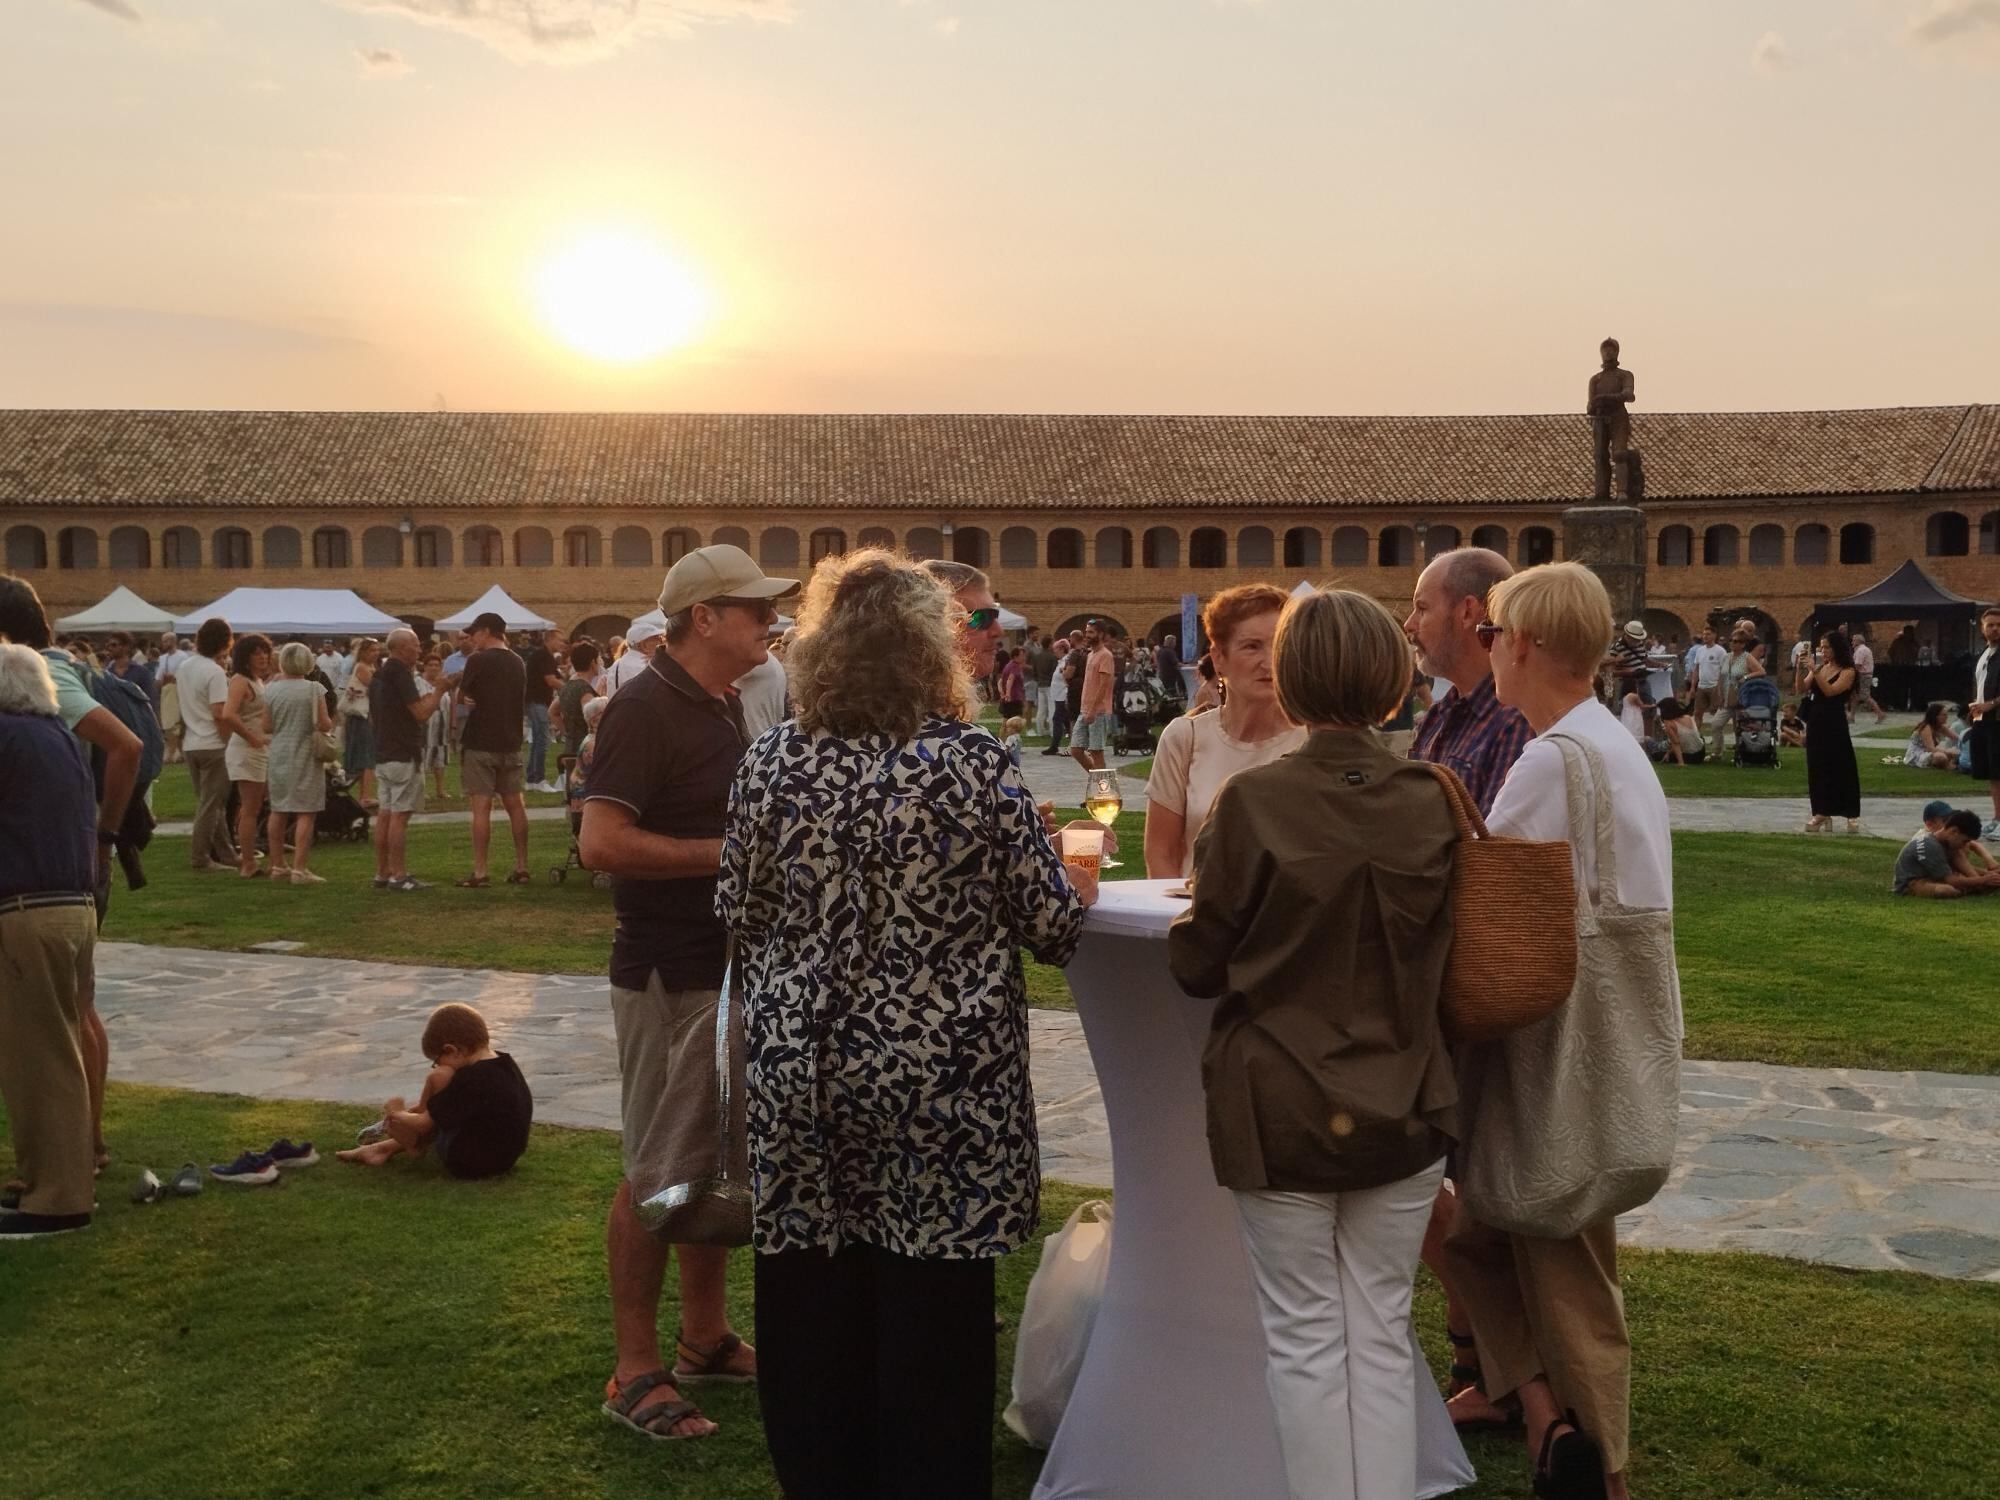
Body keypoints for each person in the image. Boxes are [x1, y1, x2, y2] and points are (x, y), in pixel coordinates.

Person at [716, 549, 1093, 1498]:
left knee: (809, 1300)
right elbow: (1050, 928)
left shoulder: (771, 762)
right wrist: (1071, 884)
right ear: (933, 651)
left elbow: (741, 913)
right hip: (940, 1079)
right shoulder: (970, 764)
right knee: (934, 1313)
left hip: (803, 1069)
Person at [1167, 588, 1458, 1500]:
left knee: (1304, 1337)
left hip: (1282, 1094)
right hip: (1407, 1090)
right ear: (1390, 678)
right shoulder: (1433, 798)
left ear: (1292, 676)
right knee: (1381, 1331)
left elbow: (1199, 963)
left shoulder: (1256, 802)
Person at [1444, 561, 1678, 1500]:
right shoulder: (1610, 743)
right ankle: (1549, 1423)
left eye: (1493, 635)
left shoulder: (1554, 760)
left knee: (1566, 1269)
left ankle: (1603, 1472)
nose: (1489, 652)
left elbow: (1484, 891)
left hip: (1559, 1051)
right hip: (1610, 1041)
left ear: (1525, 644)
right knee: (1477, 1237)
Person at [577, 543, 797, 1444]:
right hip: (669, 974)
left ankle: (704, 1337)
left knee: (712, 1160)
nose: (772, 622)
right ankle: (634, 1370)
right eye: (756, 610)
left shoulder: (722, 700)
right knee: (654, 1169)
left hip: (723, 964)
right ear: (704, 617)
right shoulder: (643, 708)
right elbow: (600, 843)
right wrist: (733, 857)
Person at [0, 644, 100, 1240]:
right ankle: (45, 1178)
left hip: (28, 910)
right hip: (71, 907)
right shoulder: (56, 736)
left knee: (40, 1058)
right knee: (45, 1053)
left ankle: (59, 1198)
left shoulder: (8, 737)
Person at [1145, 584, 1304, 879]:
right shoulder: (1185, 738)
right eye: (1252, 646)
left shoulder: (1313, 740)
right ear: (1219, 658)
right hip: (1194, 905)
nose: (1269, 661)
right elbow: (1161, 853)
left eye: (1280, 644)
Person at [335, 1003, 533, 1174]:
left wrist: (394, 1111)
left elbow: (423, 1124)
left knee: (439, 1077)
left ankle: (412, 1145)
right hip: (505, 1158)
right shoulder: (503, 1062)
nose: (438, 1065)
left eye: (437, 1061)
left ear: (451, 1050)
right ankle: (383, 1149)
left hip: (470, 1162)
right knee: (439, 1106)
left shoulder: (471, 1079)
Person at [454, 612, 532, 887]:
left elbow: (462, 696)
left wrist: (467, 698)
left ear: (486, 631)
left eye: (474, 633)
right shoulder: (518, 661)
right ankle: (522, 866)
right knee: (516, 806)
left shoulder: (478, 660)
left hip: (481, 742)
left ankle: (480, 871)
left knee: (481, 808)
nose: (471, 638)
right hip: (511, 741)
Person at [370, 627, 444, 892]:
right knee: (399, 816)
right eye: (415, 645)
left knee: (385, 814)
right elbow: (421, 714)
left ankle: (382, 872)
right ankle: (399, 875)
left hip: (383, 752)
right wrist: (439, 691)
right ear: (402, 648)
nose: (420, 650)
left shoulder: (379, 674)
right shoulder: (400, 673)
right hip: (402, 753)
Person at [263, 643, 336, 885]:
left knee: (278, 809)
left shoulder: (271, 689)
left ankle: (277, 865)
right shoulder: (314, 689)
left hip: (279, 751)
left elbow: (266, 726)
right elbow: (324, 723)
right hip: (305, 752)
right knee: (306, 811)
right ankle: (299, 868)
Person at [178, 617, 237, 871]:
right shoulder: (214, 671)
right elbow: (219, 713)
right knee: (211, 805)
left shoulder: (185, 667)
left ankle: (227, 853)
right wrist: (228, 743)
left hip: (192, 742)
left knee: (211, 803)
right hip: (213, 743)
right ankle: (200, 857)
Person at [217, 634, 274, 879]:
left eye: (265, 652)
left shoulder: (257, 681)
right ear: (245, 657)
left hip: (259, 747)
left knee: (255, 805)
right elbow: (228, 714)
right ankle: (248, 863)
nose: (263, 657)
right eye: (256, 653)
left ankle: (251, 856)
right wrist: (251, 737)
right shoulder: (240, 681)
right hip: (246, 749)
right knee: (251, 807)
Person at [1799, 630, 1863, 833]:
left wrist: (1814, 670)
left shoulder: (1848, 671)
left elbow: (1831, 691)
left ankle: (1850, 813)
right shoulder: (1821, 668)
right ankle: (1821, 811)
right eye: (1821, 647)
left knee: (1841, 765)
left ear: (1837, 648)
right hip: (1816, 721)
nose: (1823, 651)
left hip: (1834, 722)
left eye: (1827, 647)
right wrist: (1801, 668)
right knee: (1817, 766)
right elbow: (1801, 688)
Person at [1893, 809, 2000, 898]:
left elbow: (1969, 871)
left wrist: (1989, 877)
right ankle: (1965, 890)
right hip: (1913, 882)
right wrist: (1982, 880)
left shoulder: (1950, 844)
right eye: (1964, 841)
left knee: (1977, 881)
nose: (1964, 845)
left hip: (1935, 877)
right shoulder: (1930, 845)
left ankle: (1969, 888)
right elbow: (1952, 880)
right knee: (1946, 890)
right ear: (1954, 831)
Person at [1069, 621, 1117, 773]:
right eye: (1086, 632)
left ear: (1100, 634)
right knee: (1076, 749)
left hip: (1098, 711)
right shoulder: (1090, 655)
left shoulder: (1105, 655)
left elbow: (1104, 685)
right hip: (1085, 709)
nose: (1087, 635)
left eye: (1091, 632)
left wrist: (1093, 710)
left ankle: (1102, 784)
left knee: (1096, 751)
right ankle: (1099, 780)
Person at [339, 638, 380, 808]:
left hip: (365, 715)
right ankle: (365, 795)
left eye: (377, 650)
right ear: (363, 652)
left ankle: (364, 793)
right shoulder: (362, 667)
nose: (376, 653)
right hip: (361, 716)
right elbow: (375, 688)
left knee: (367, 755)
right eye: (372, 650)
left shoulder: (371, 667)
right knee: (366, 755)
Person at [1969, 606, 2000, 824]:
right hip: (1983, 721)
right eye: (1991, 625)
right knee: (1992, 773)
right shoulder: (1986, 654)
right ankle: (1997, 819)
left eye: (1999, 625)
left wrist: (1992, 704)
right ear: (1983, 628)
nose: (1995, 629)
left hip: (1997, 720)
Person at [522, 627, 563, 792]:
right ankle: (539, 779)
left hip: (538, 702)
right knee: (542, 740)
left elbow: (556, 677)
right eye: (559, 640)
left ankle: (531, 779)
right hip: (536, 701)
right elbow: (551, 680)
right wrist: (570, 689)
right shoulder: (543, 656)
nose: (562, 644)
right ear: (549, 639)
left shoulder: (546, 656)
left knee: (538, 740)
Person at [555, 642, 601, 760]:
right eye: (599, 659)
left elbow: (552, 712)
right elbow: (592, 720)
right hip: (585, 749)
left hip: (570, 746)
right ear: (593, 663)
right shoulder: (584, 690)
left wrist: (567, 733)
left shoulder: (568, 686)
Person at [1686, 627, 1725, 735]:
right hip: (1701, 686)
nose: (1705, 636)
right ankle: (1696, 737)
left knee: (1716, 713)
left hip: (1714, 686)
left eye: (1708, 634)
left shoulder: (1720, 651)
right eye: (1704, 634)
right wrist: (1693, 686)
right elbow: (1696, 669)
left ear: (1714, 635)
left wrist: (1719, 687)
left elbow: (1723, 670)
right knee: (1697, 713)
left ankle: (1716, 737)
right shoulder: (1700, 650)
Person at [606, 619, 662, 695]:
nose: (660, 642)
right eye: (656, 638)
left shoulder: (617, 664)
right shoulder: (645, 666)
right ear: (643, 645)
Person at [1041, 634, 1074, 753]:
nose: (1054, 651)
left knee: (1057, 719)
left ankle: (1054, 746)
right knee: (1066, 720)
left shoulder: (1066, 661)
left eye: (1056, 649)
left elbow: (1067, 677)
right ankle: (1072, 743)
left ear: (1062, 649)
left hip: (1063, 695)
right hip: (1058, 696)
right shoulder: (1060, 661)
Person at [1906, 702, 1959, 770]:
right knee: (1941, 757)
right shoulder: (1926, 727)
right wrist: (1948, 751)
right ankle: (1949, 766)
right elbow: (1930, 748)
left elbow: (1956, 737)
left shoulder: (1941, 727)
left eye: (1946, 714)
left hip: (1929, 752)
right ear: (1935, 716)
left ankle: (1950, 764)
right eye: (1944, 715)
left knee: (1952, 753)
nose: (1946, 717)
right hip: (1918, 753)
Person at [1655, 697, 1706, 765]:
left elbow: (1676, 743)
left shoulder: (1669, 724)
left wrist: (1681, 762)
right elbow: (1684, 739)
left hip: (1690, 757)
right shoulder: (1688, 717)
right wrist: (1669, 753)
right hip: (1701, 753)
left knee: (1656, 754)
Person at [1851, 631, 1886, 725]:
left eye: (1854, 640)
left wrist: (1850, 673)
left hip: (1863, 675)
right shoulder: (1864, 649)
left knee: (1865, 696)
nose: (1852, 642)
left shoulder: (1861, 650)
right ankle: (1851, 716)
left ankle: (1880, 713)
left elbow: (1858, 665)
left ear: (1858, 641)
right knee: (1855, 696)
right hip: (1865, 675)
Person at [1029, 631, 1059, 738]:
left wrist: (1038, 679)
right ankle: (1052, 731)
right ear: (1050, 644)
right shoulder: (1052, 657)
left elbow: (1034, 672)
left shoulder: (1037, 656)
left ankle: (1040, 731)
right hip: (1050, 685)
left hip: (1040, 685)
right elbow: (1054, 673)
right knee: (1052, 709)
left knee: (1041, 710)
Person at [997, 645, 1026, 722]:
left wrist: (1002, 693)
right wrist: (1008, 694)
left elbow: (1000, 682)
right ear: (1015, 656)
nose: (1024, 658)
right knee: (1016, 722)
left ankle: (1004, 731)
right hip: (1014, 698)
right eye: (1022, 655)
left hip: (1007, 699)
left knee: (1006, 720)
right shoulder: (1015, 666)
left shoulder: (1008, 665)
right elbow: (1010, 679)